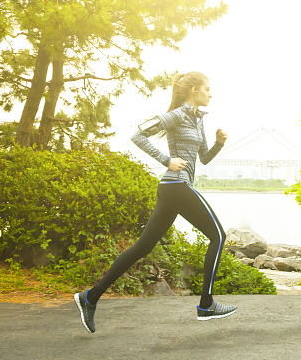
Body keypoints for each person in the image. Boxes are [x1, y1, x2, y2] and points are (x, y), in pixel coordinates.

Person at [74, 71, 236, 333]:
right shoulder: (177, 115)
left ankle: (90, 297)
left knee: (142, 247)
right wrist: (166, 160)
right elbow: (138, 136)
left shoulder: (198, 119)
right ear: (194, 90)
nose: (211, 93)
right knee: (218, 235)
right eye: (207, 88)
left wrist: (218, 144)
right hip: (176, 185)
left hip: (173, 190)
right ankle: (206, 305)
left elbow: (203, 158)